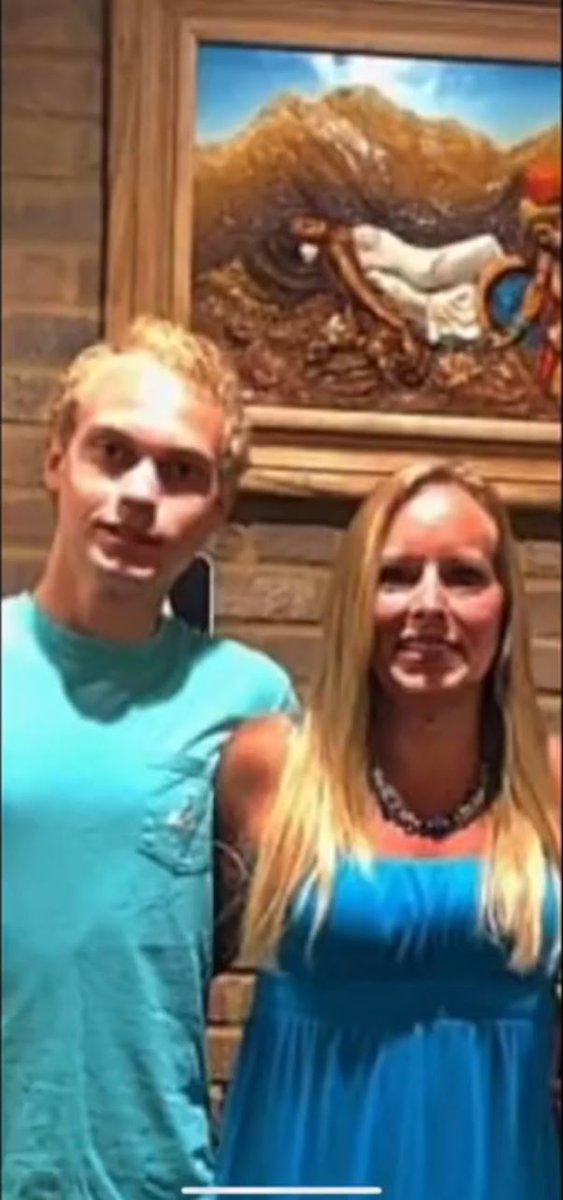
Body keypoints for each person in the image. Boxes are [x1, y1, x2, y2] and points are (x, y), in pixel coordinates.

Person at [1, 316, 296, 1199]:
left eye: (180, 472)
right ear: (57, 460)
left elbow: (255, 935)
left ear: (218, 508)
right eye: (113, 452)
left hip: (152, 1176)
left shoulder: (250, 701)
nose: (140, 493)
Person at [215, 459, 561, 1199]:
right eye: (396, 575)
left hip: (498, 1170)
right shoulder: (270, 769)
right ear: (354, 602)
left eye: (463, 577)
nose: (428, 605)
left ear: (505, 609)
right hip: (299, 1164)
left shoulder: (552, 786)